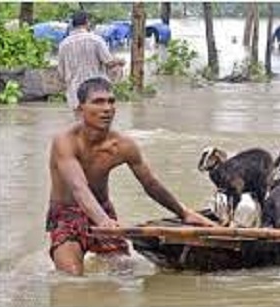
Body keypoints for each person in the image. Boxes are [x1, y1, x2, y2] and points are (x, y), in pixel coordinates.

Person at [46, 77, 218, 276]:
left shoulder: (123, 145)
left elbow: (151, 184)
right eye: (98, 102)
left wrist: (184, 213)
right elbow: (79, 187)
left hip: (102, 209)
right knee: (71, 278)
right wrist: (103, 221)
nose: (107, 108)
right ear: (79, 110)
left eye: (111, 101)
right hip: (66, 214)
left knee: (124, 272)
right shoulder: (64, 142)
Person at [57, 11, 125, 113]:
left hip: (74, 93)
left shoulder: (63, 44)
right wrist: (120, 61)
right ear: (87, 23)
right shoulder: (96, 40)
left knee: (80, 122)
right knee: (97, 124)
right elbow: (109, 62)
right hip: (96, 92)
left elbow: (61, 73)